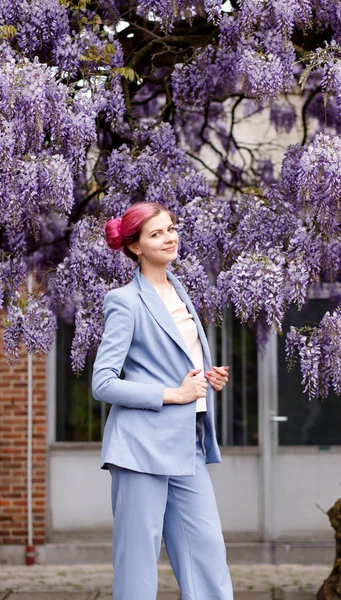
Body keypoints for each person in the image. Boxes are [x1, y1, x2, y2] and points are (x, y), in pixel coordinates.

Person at [91, 201, 234, 600]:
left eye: (170, 228)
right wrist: (174, 394)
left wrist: (206, 378)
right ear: (135, 247)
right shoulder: (124, 301)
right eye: (156, 233)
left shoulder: (180, 290)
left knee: (207, 554)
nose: (170, 237)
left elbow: (171, 359)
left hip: (186, 444)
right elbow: (103, 383)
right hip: (140, 447)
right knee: (138, 565)